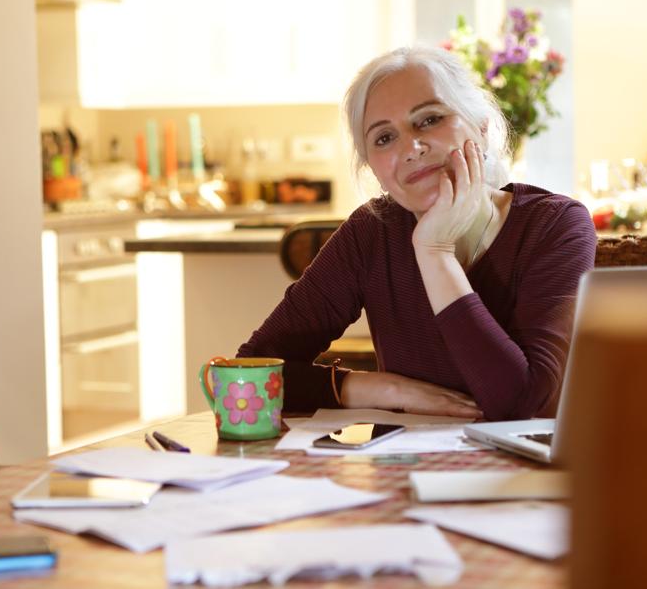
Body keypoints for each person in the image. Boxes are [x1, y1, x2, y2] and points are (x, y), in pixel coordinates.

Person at [237, 46, 596, 421]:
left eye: (429, 120)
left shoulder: (555, 226)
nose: (411, 147)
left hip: (522, 476)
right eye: (384, 138)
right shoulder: (372, 233)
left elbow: (522, 406)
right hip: (407, 469)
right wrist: (381, 388)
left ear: (482, 128)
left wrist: (435, 252)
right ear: (374, 169)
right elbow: (246, 377)